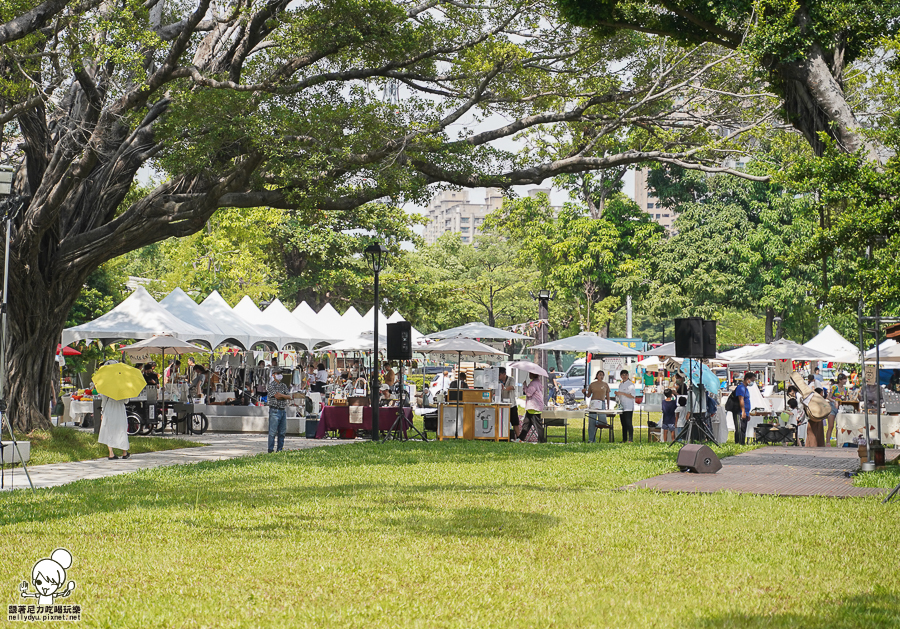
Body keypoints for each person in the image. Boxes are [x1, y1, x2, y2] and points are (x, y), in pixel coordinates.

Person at [266, 368, 292, 453]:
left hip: (282, 410)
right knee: (272, 432)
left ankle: (280, 449)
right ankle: (270, 449)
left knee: (282, 432)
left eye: (280, 373)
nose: (279, 375)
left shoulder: (283, 385)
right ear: (273, 375)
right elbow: (276, 396)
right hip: (274, 410)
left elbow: (289, 396)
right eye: (277, 373)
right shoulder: (270, 386)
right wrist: (282, 396)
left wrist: (281, 395)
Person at [98, 393, 130, 460]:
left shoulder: (108, 386)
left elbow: (104, 400)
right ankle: (124, 452)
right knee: (122, 429)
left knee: (109, 429)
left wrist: (102, 412)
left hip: (109, 407)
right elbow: (126, 401)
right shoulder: (123, 387)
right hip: (120, 408)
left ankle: (111, 453)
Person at [584, 370, 611, 443]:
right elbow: (588, 395)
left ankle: (596, 423)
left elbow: (608, 396)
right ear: (597, 376)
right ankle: (591, 439)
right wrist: (585, 392)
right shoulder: (592, 384)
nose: (601, 376)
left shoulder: (605, 384)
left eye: (602, 375)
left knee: (603, 421)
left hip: (601, 402)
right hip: (593, 402)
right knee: (591, 421)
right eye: (600, 375)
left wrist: (608, 406)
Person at [519, 372, 544, 441]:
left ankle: (542, 440)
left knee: (538, 426)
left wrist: (525, 386)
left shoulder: (533, 383)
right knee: (526, 424)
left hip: (534, 407)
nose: (529, 375)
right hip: (532, 407)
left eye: (530, 374)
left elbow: (529, 393)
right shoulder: (537, 382)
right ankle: (521, 438)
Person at [498, 367, 520, 441]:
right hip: (501, 405)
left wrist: (504, 388)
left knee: (515, 422)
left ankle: (518, 438)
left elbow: (512, 387)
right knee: (503, 422)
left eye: (499, 375)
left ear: (504, 374)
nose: (498, 377)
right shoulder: (498, 381)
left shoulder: (511, 379)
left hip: (511, 404)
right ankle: (504, 437)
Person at [615, 369, 636, 443]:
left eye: (626, 375)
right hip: (622, 406)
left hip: (628, 406)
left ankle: (630, 439)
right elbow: (620, 394)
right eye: (623, 375)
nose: (624, 376)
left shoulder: (630, 384)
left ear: (628, 376)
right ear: (621, 376)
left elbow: (632, 396)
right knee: (623, 423)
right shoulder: (620, 384)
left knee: (628, 423)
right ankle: (624, 439)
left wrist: (622, 393)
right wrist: (617, 394)